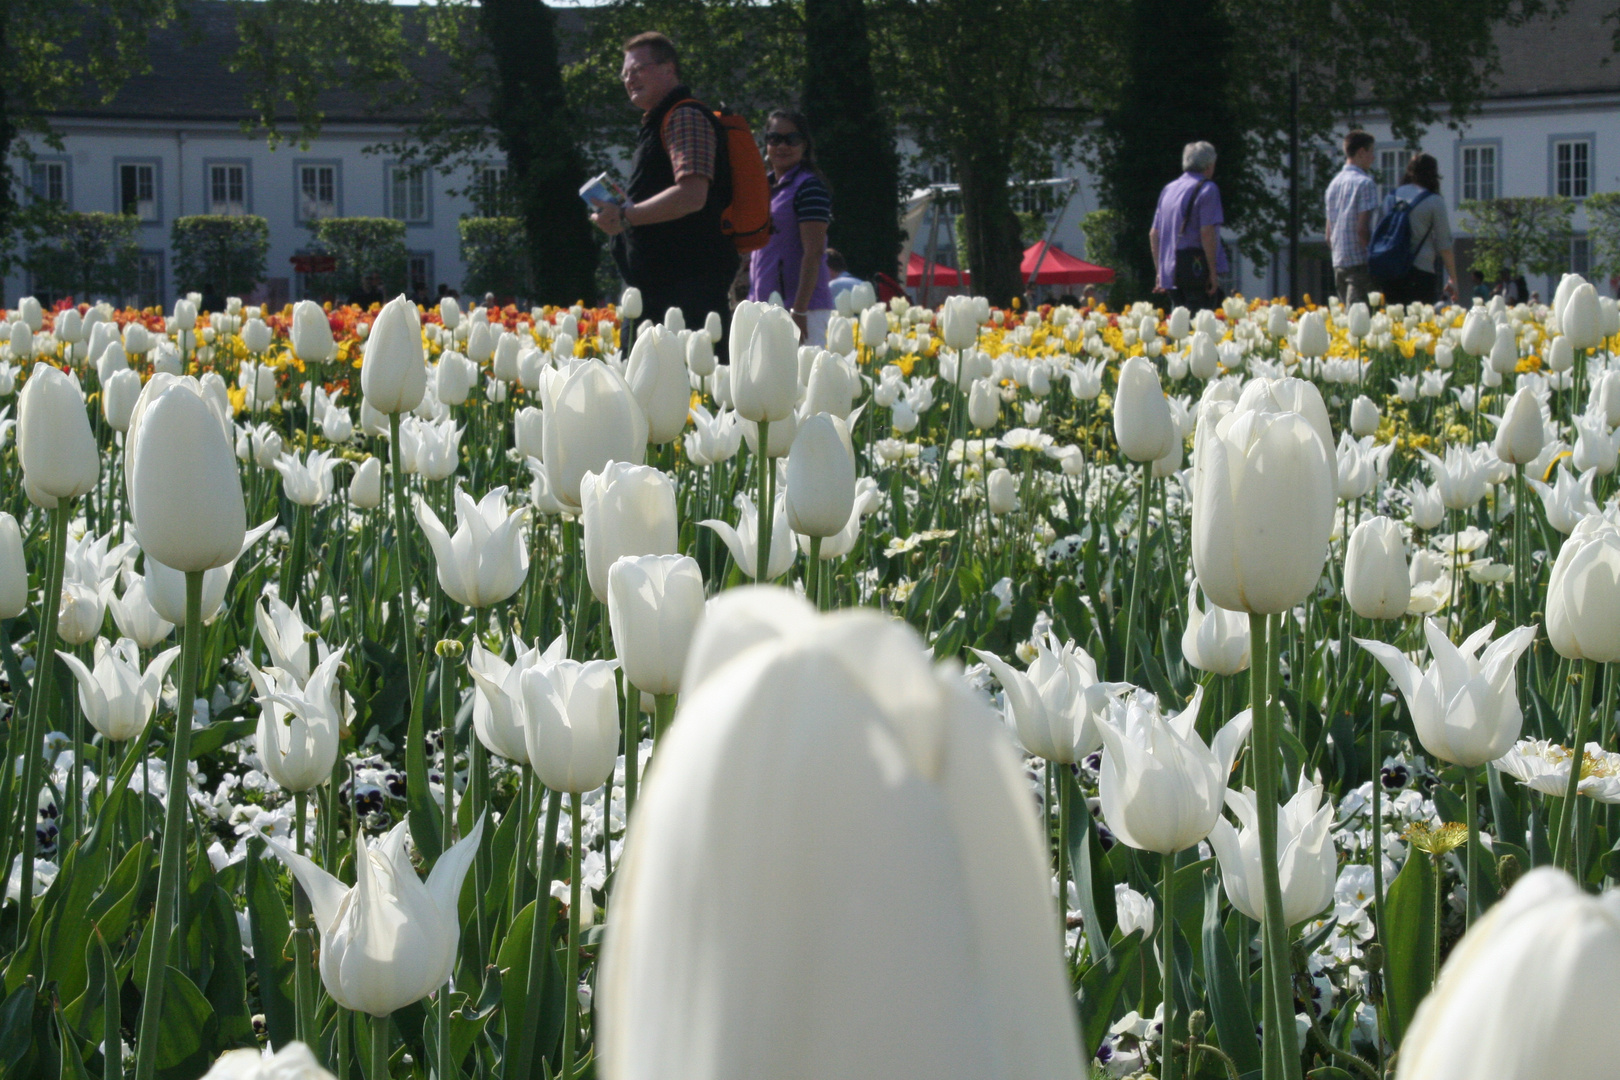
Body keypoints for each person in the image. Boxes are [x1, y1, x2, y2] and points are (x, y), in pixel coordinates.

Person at [591, 32, 738, 348]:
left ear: (669, 68)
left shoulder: (684, 116)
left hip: (684, 296)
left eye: (638, 69)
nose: (629, 79)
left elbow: (691, 195)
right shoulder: (659, 122)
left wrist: (627, 216)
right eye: (625, 74)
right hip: (659, 292)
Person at [749, 110, 834, 345]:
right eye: (774, 139)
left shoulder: (809, 187)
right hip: (764, 307)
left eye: (792, 139)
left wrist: (800, 310)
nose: (782, 146)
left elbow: (814, 253)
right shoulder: (764, 187)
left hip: (800, 311)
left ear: (804, 145)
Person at [1149, 141, 1226, 313]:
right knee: (1198, 320)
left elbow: (1154, 233)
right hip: (1195, 265)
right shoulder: (1208, 188)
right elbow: (1207, 232)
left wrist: (1160, 271)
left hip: (1171, 267)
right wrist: (1213, 272)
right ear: (1209, 165)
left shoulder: (1168, 189)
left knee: (1177, 318)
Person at [1381, 153, 1457, 306]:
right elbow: (1444, 246)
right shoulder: (1434, 201)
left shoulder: (1391, 197)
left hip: (1391, 271)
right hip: (1421, 271)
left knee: (1394, 324)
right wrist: (1453, 279)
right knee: (1419, 324)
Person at [1325, 130, 1380, 306]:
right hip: (1359, 263)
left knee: (1346, 321)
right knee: (1360, 321)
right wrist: (1373, 257)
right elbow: (1362, 228)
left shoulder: (1333, 185)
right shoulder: (1365, 183)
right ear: (1361, 152)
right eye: (1371, 152)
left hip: (1338, 262)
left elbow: (1328, 234)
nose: (1373, 158)